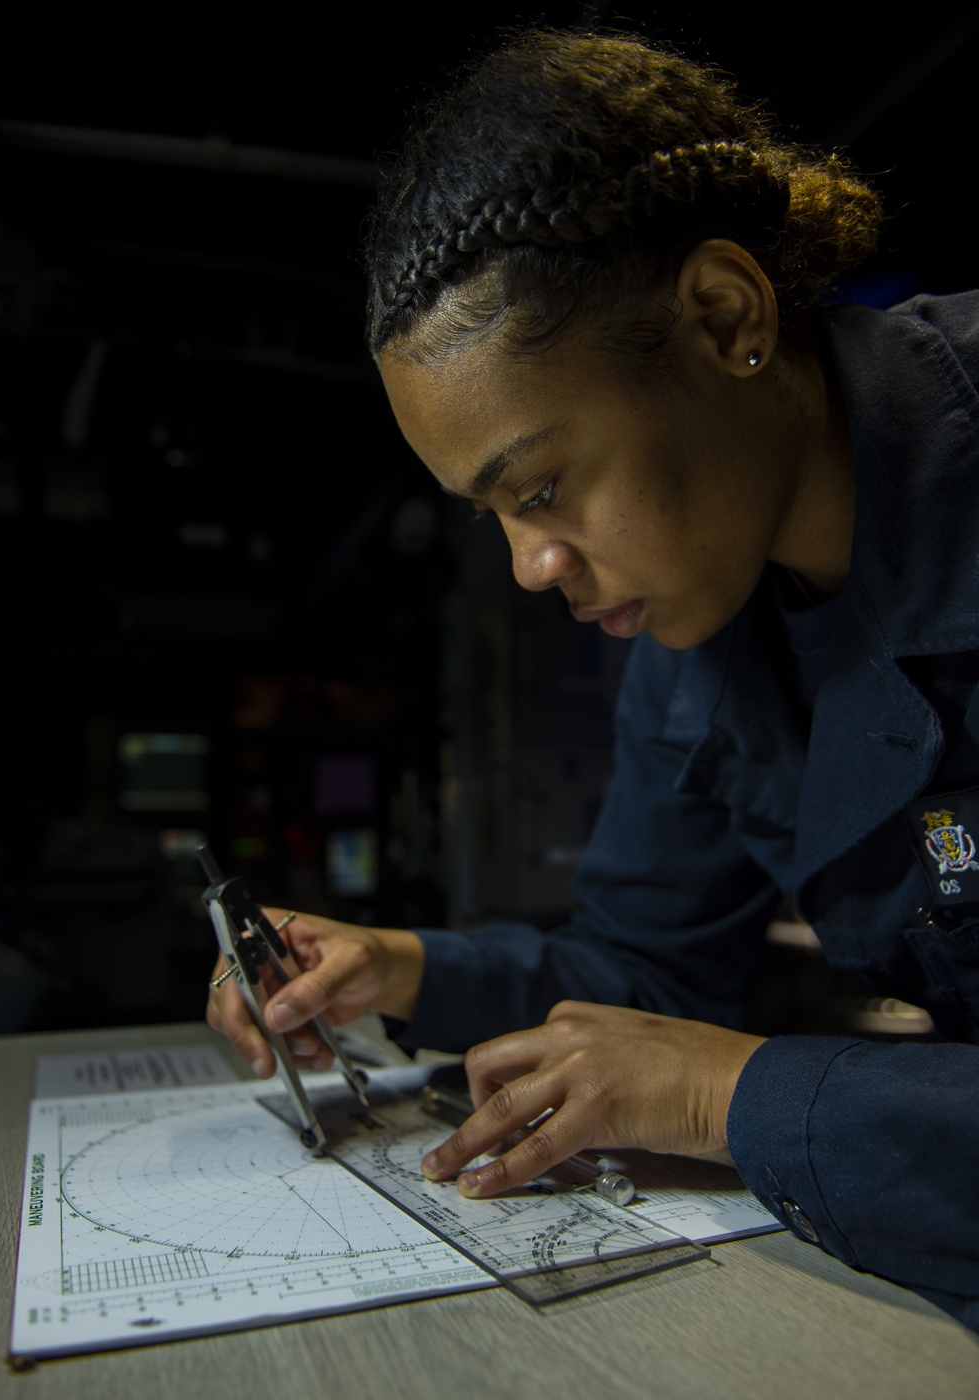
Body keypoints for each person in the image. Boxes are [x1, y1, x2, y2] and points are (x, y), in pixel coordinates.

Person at [207, 29, 979, 1331]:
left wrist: (726, 1096)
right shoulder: (694, 622)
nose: (531, 563)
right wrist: (394, 967)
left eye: (546, 486)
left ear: (723, 318)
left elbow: (689, 1059)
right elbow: (642, 975)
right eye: (493, 514)